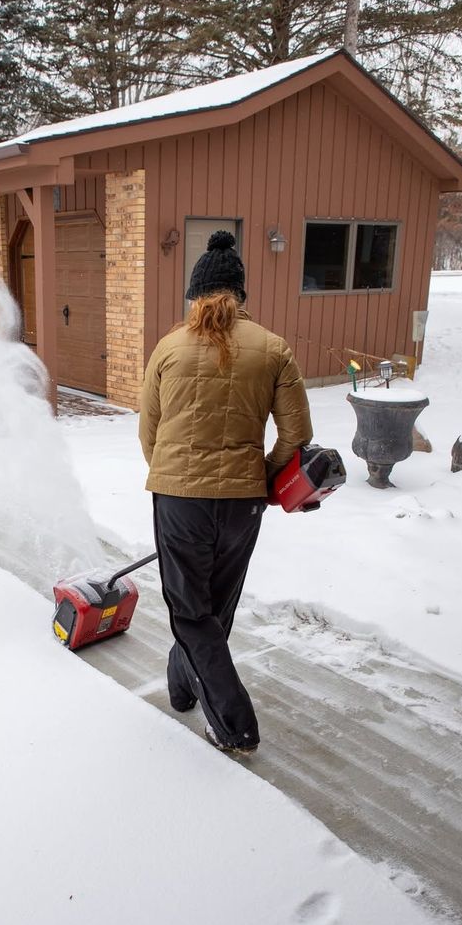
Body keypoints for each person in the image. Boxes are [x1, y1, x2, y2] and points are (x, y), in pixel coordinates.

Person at [139, 231, 312, 753]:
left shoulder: (169, 347)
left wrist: (174, 478)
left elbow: (149, 430)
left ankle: (233, 722)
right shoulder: (274, 349)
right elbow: (296, 435)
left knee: (191, 610)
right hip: (242, 503)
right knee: (216, 606)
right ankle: (183, 687)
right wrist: (261, 477)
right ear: (241, 295)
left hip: (178, 500)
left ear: (195, 296)